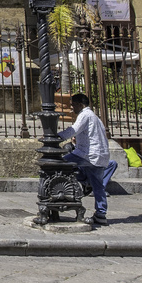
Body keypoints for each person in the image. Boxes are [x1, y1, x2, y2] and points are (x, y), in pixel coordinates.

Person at [58, 92, 116, 226]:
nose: (72, 108)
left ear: (80, 104)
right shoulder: (95, 117)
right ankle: (101, 214)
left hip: (86, 154)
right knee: (99, 187)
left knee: (59, 164)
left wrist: (57, 137)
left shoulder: (85, 115)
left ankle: (66, 196)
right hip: (100, 156)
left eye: (73, 105)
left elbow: (73, 130)